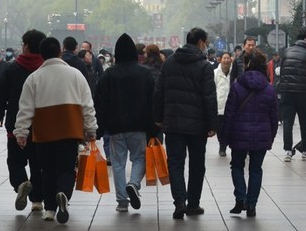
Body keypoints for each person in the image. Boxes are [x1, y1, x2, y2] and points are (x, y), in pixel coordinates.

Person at [14, 37, 97, 224]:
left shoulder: (34, 77)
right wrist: (91, 128)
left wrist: (21, 132)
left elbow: (25, 108)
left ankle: (50, 209)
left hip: (43, 132)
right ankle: (64, 194)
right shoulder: (76, 75)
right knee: (67, 168)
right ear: (60, 52)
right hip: (70, 130)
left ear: (41, 55)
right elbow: (87, 105)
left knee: (47, 170)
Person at [152, 28, 217, 220]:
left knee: (176, 163)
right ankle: (193, 204)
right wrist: (212, 124)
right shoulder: (204, 66)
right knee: (197, 165)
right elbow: (209, 97)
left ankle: (179, 202)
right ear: (200, 43)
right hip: (197, 126)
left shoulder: (169, 62)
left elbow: (159, 92)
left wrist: (158, 117)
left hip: (173, 123)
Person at [94, 34, 155, 213]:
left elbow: (101, 102)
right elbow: (153, 101)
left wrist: (99, 127)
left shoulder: (109, 74)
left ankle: (122, 201)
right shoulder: (144, 73)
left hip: (116, 127)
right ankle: (134, 184)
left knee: (118, 163)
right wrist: (154, 128)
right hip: (139, 125)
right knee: (139, 158)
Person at [0, 31, 47, 214]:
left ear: (25, 45)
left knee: (15, 160)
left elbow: (0, 93)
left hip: (17, 122)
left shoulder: (11, 68)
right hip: (42, 124)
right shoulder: (45, 69)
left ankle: (21, 183)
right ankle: (37, 200)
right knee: (38, 164)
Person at [221, 51, 278, 217]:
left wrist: (225, 136)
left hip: (239, 134)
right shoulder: (269, 89)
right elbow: (274, 117)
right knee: (255, 169)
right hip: (261, 135)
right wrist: (271, 136)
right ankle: (251, 204)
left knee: (237, 166)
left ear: (246, 65)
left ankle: (241, 197)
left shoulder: (238, 85)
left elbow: (229, 113)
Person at [276, 28, 306, 162]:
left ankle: (288, 151)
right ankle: (305, 151)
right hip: (302, 92)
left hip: (286, 91)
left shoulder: (286, 51)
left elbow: (282, 71)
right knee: (305, 121)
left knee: (287, 121)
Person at [214, 52, 234, 157]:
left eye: (228, 58)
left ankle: (225, 146)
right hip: (219, 106)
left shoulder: (234, 73)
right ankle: (222, 145)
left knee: (230, 128)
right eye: (224, 58)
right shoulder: (215, 73)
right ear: (220, 60)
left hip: (231, 106)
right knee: (220, 129)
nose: (226, 60)